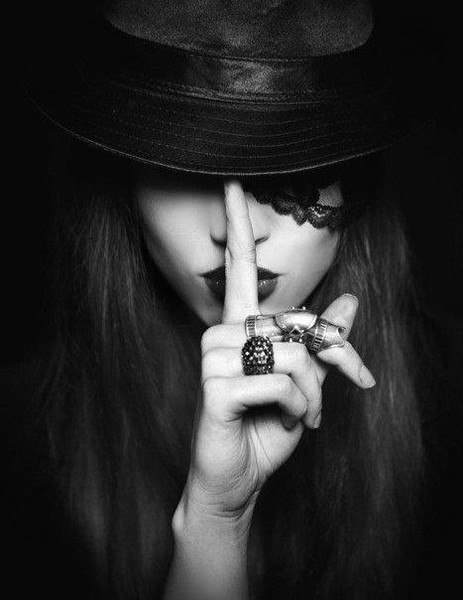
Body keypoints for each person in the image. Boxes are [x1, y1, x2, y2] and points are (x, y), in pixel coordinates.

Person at [2, 1, 462, 599]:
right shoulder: (23, 448)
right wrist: (215, 525)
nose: (237, 229)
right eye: (184, 166)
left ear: (360, 175)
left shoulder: (449, 409)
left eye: (292, 163)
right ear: (122, 182)